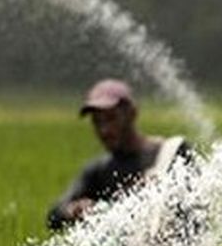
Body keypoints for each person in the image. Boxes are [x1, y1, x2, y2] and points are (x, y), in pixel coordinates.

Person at [47, 78, 192, 231]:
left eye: (111, 119)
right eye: (97, 122)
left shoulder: (172, 153)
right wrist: (74, 210)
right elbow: (54, 216)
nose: (104, 130)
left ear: (132, 114)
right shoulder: (100, 171)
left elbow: (195, 211)